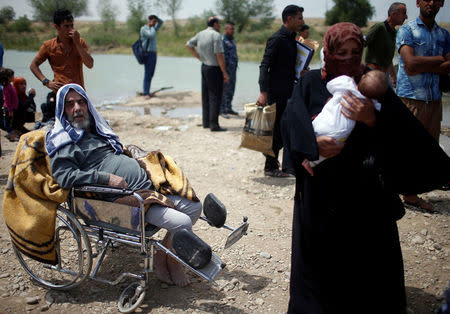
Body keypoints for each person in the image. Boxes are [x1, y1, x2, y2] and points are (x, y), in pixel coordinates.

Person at [281, 22, 449, 314]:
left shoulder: (374, 85)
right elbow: (290, 125)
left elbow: (408, 135)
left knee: (370, 284)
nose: (347, 59)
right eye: (340, 52)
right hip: (322, 199)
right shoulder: (310, 83)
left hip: (367, 200)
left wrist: (373, 119)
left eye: (354, 52)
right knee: (319, 284)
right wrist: (314, 144)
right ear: (329, 51)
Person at [47, 83, 203, 287]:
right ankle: (173, 262)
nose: (77, 107)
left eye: (81, 101)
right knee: (182, 223)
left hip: (146, 188)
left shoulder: (94, 129)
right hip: (122, 200)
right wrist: (106, 178)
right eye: (70, 104)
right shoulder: (63, 142)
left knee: (195, 207)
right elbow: (64, 176)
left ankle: (162, 254)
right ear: (62, 109)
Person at [396, 0, 450, 211]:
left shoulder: (444, 35)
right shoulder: (407, 31)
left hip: (433, 99)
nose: (431, 3)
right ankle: (409, 196)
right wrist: (438, 60)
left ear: (442, 3)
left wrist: (423, 64)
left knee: (429, 147)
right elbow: (409, 65)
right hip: (411, 99)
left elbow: (448, 68)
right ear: (418, 2)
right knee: (408, 149)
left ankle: (417, 190)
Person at [302, 70, 388, 175]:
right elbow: (378, 109)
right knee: (330, 149)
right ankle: (311, 163)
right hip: (340, 131)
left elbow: (331, 85)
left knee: (314, 136)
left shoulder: (347, 85)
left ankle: (306, 154)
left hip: (324, 121)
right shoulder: (369, 103)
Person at [256, 5, 304, 177]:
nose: (302, 21)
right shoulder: (276, 39)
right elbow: (264, 66)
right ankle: (270, 166)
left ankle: (281, 164)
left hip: (289, 91)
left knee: (287, 128)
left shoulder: (293, 39)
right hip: (275, 92)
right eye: (299, 18)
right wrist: (263, 92)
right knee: (276, 130)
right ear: (289, 19)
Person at [30, 8, 93, 94]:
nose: (71, 29)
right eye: (66, 26)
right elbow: (33, 66)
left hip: (79, 91)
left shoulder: (80, 42)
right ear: (57, 27)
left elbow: (90, 64)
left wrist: (77, 44)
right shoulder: (48, 46)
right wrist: (46, 82)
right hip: (60, 93)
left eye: (72, 25)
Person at [186, 16, 229, 132]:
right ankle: (214, 125)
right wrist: (224, 72)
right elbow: (219, 55)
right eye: (219, 24)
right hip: (214, 68)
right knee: (215, 96)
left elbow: (188, 45)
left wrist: (198, 57)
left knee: (205, 95)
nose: (220, 26)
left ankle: (206, 123)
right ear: (215, 24)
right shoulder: (216, 35)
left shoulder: (200, 34)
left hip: (204, 66)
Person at [364, 2, 407, 88]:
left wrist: (393, 76)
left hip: (385, 74)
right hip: (373, 73)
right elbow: (361, 42)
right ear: (393, 14)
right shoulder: (379, 28)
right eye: (404, 13)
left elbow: (387, 57)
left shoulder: (393, 32)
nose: (406, 17)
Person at [140, 15, 163, 99]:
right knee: (147, 73)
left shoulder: (153, 28)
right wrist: (153, 26)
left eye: (155, 22)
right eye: (153, 21)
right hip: (147, 53)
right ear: (149, 21)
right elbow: (151, 35)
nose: (154, 23)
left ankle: (147, 91)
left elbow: (161, 22)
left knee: (151, 73)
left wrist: (156, 17)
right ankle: (146, 93)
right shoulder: (144, 29)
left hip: (153, 53)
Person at [220, 21, 239, 118]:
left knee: (231, 89)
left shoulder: (231, 39)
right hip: (226, 70)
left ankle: (228, 107)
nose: (233, 31)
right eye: (231, 29)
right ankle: (222, 110)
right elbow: (221, 56)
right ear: (226, 29)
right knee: (224, 90)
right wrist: (223, 72)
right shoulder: (222, 40)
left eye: (233, 29)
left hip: (233, 70)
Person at [1, 68, 19, 142]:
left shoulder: (9, 85)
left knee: (12, 123)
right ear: (8, 78)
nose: (13, 78)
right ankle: (12, 136)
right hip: (8, 108)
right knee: (8, 124)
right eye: (12, 76)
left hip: (12, 108)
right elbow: (7, 101)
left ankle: (13, 135)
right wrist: (10, 110)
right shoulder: (6, 88)